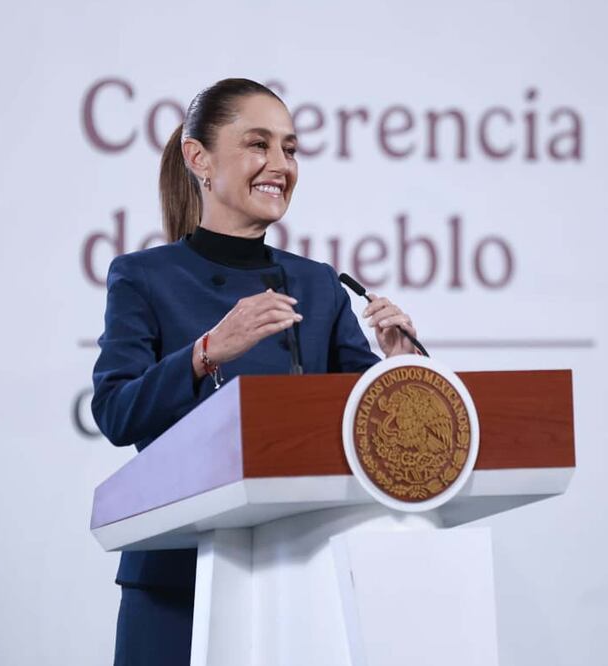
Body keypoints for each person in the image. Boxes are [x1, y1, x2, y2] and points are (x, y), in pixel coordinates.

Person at [91, 78, 420, 666]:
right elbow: (116, 411)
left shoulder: (318, 284)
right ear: (200, 159)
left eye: (290, 149)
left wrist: (399, 368)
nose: (279, 165)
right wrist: (209, 349)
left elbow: (369, 430)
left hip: (302, 580)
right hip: (177, 581)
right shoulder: (143, 277)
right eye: (258, 144)